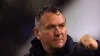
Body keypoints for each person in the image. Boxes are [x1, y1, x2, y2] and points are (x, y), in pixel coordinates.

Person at [25, 5, 100, 56]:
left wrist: (98, 48)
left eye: (61, 26)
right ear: (37, 33)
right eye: (51, 27)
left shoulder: (82, 53)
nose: (58, 33)